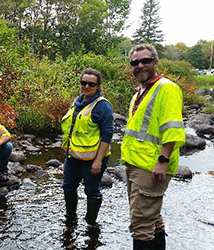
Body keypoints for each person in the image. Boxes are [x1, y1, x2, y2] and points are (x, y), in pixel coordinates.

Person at [121, 44, 185, 250]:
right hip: (136, 163)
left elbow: (172, 128)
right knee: (152, 218)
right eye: (135, 62)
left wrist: (162, 161)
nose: (139, 65)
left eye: (145, 61)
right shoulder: (141, 91)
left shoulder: (166, 88)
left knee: (140, 223)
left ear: (155, 62)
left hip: (151, 166)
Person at [61, 68, 114, 226]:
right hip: (73, 156)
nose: (86, 86)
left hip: (92, 159)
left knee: (91, 190)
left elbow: (107, 134)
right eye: (83, 83)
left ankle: (91, 224)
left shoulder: (102, 106)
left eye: (91, 84)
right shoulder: (77, 102)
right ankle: (71, 219)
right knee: (68, 187)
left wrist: (98, 161)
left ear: (98, 86)